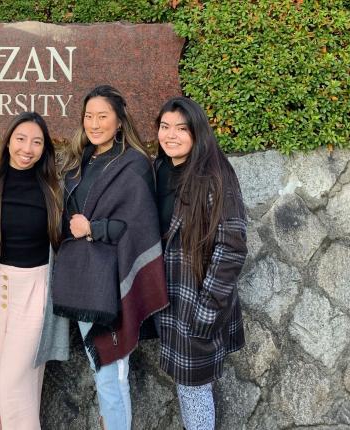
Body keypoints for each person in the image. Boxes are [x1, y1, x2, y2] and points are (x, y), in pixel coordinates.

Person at [51, 85, 169, 430]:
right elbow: (65, 215)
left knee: (111, 371)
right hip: (82, 281)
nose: (94, 123)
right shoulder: (79, 161)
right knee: (99, 367)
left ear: (119, 121)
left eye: (103, 116)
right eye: (89, 116)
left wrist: (93, 228)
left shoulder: (133, 164)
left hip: (113, 283)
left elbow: (138, 228)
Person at [153, 96, 247, 430]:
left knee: (194, 391)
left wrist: (206, 310)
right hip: (173, 301)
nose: (171, 135)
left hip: (197, 302)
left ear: (197, 132)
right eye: (165, 127)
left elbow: (232, 246)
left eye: (181, 128)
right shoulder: (162, 168)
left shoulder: (213, 174)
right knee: (188, 386)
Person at [0, 112, 68, 430]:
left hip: (34, 291)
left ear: (45, 149)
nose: (27, 148)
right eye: (20, 139)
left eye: (36, 142)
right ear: (8, 141)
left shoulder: (55, 189)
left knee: (15, 386)